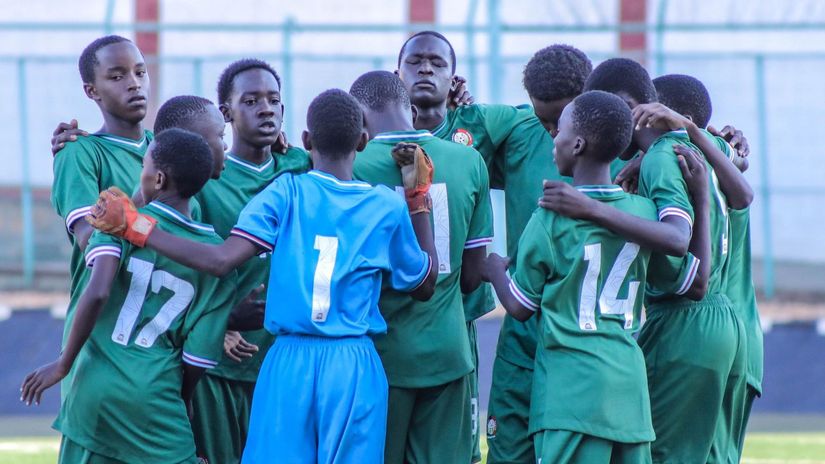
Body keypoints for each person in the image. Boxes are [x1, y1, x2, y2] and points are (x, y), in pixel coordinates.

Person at [84, 89, 439, 463]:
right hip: (353, 363)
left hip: (289, 359)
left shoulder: (286, 191)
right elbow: (424, 283)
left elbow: (221, 260)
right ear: (364, 141)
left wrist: (137, 227)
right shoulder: (386, 205)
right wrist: (417, 200)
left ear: (305, 141)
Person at [483, 89, 710, 464]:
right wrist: (700, 200)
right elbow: (692, 281)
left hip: (570, 394)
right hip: (629, 394)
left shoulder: (552, 216)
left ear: (577, 144)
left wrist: (494, 272)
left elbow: (521, 307)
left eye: (560, 131)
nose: (553, 136)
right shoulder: (642, 211)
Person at [543, 57, 745, 462]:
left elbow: (682, 251)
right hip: (727, 321)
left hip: (683, 322)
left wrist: (593, 209)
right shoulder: (700, 145)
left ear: (629, 106)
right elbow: (743, 192)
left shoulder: (660, 157)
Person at [22, 128, 234, 463]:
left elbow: (98, 291)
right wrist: (185, 398)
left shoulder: (117, 221)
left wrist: (64, 363)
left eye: (145, 168)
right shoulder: (216, 256)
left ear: (158, 179)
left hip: (93, 392)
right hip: (155, 400)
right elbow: (198, 357)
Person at [350, 70, 493, 464]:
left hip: (378, 355)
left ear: (358, 122)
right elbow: (471, 277)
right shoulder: (469, 161)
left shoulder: (352, 166)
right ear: (412, 111)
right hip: (448, 350)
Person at [189, 58, 311, 464]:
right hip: (219, 365)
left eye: (274, 100)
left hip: (284, 360)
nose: (266, 109)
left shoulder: (301, 168)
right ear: (226, 113)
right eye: (252, 100)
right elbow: (181, 262)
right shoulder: (205, 179)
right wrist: (217, 325)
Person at [485, 44, 590, 464]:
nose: (550, 130)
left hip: (583, 334)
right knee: (509, 449)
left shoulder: (626, 145)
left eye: (559, 118)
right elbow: (454, 149)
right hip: (522, 322)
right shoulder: (518, 132)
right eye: (541, 116)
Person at [652, 73, 759, 461]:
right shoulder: (718, 154)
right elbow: (743, 181)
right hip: (740, 330)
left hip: (701, 327)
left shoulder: (675, 161)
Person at [50, 35, 151, 400]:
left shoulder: (166, 149)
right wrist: (143, 202)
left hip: (160, 342)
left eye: (140, 72)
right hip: (101, 342)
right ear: (92, 91)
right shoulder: (79, 153)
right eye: (118, 75)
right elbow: (91, 238)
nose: (134, 83)